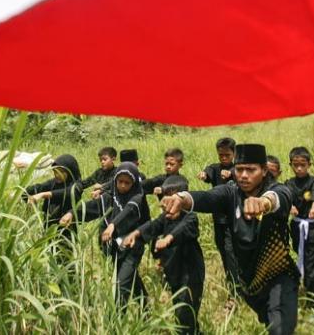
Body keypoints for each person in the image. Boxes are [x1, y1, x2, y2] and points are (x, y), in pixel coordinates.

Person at [163, 143, 298, 335]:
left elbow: (279, 197)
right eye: (239, 169)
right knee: (270, 322)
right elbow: (207, 197)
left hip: (278, 276)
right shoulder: (231, 191)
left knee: (280, 328)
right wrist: (182, 198)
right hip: (249, 282)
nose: (243, 175)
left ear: (265, 170)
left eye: (251, 170)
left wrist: (263, 202)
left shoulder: (277, 189)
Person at [123, 175, 204, 334]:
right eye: (164, 201)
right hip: (174, 272)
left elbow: (184, 230)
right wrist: (136, 234)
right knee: (181, 311)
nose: (166, 206)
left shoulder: (190, 217)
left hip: (191, 274)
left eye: (170, 201)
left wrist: (168, 239)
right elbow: (152, 226)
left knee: (185, 312)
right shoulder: (164, 218)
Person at [60, 162, 150, 304]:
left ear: (133, 183)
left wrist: (113, 224)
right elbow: (91, 207)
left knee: (121, 284)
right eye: (120, 181)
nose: (123, 186)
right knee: (130, 278)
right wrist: (71, 214)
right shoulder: (109, 198)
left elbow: (128, 210)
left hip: (133, 247)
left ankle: (116, 320)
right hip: (116, 247)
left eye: (127, 183)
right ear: (115, 181)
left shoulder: (137, 197)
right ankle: (146, 307)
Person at [196, 137, 239, 302]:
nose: (224, 158)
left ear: (234, 154)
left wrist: (232, 173)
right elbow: (208, 172)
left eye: (227, 155)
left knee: (231, 253)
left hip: (234, 220)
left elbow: (243, 174)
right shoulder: (215, 168)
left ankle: (234, 293)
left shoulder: (239, 169)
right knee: (223, 252)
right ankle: (233, 283)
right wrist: (204, 174)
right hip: (218, 220)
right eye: (221, 155)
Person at [284, 146, 314, 300]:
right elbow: (286, 196)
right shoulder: (289, 183)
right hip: (296, 227)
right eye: (296, 165)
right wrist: (290, 206)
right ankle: (307, 287)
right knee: (301, 256)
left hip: (312, 227)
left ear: (309, 164)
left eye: (303, 164)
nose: (299, 168)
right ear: (291, 165)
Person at [23, 154, 84, 240]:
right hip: (49, 229)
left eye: (61, 172)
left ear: (70, 171)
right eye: (55, 172)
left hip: (66, 232)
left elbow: (68, 193)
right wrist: (20, 192)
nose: (57, 175)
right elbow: (39, 187)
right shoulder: (54, 183)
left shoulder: (77, 185)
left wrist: (44, 194)